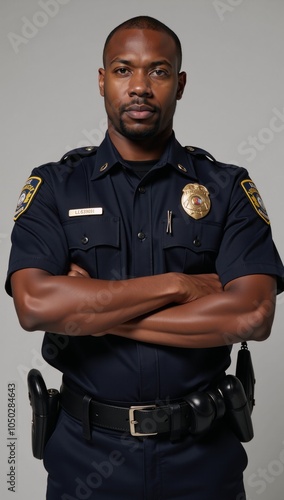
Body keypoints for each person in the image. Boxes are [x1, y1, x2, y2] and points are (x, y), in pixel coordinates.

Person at [5, 15, 284, 500]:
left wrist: (90, 314)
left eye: (157, 71)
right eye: (122, 70)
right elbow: (34, 305)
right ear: (101, 80)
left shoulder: (227, 187)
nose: (139, 86)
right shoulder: (55, 186)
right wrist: (179, 285)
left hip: (203, 460)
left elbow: (252, 313)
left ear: (179, 84)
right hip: (85, 460)